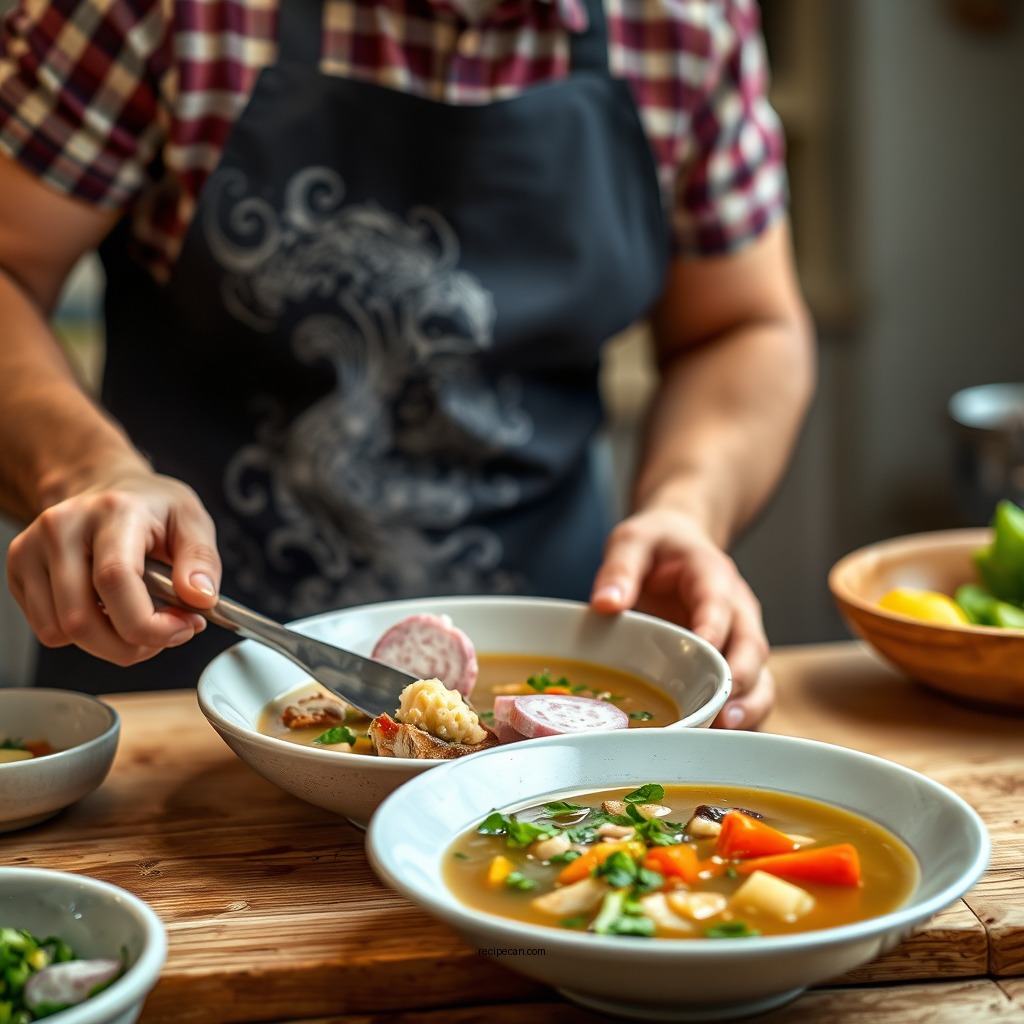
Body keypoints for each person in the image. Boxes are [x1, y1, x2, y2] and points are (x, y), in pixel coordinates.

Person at [0, 0, 815, 728]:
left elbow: (742, 325)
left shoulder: (687, 21)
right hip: (174, 667)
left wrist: (686, 508)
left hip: (551, 696)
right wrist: (84, 468)